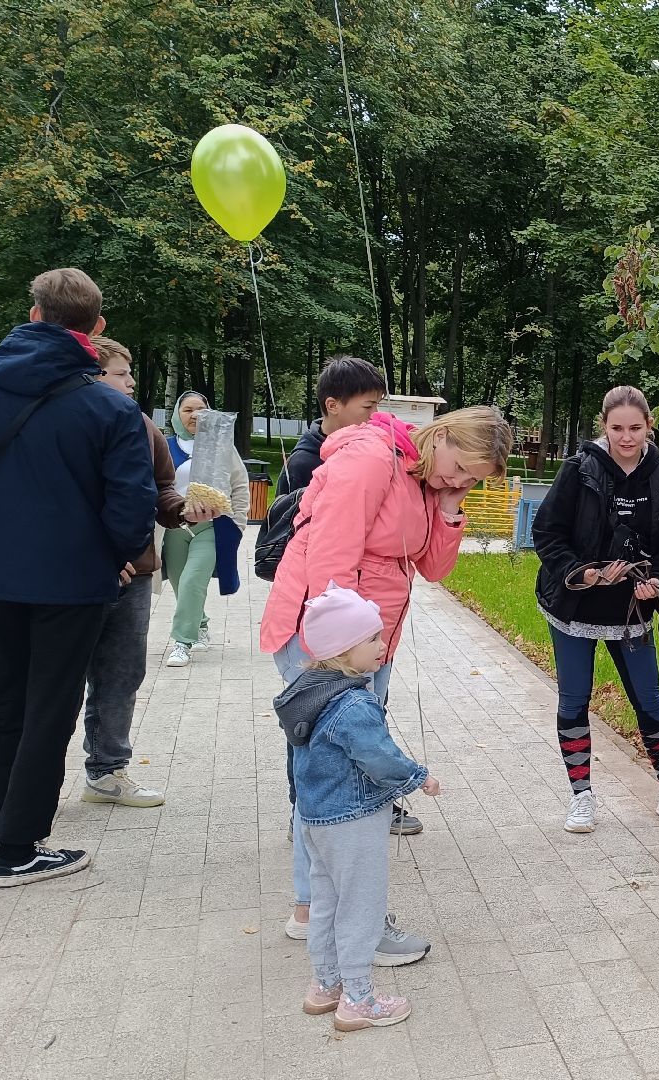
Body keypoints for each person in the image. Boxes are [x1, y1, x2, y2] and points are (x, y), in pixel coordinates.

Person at [261, 404, 509, 950]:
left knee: (337, 775)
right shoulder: (373, 459)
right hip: (329, 641)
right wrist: (342, 655)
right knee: (343, 781)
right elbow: (332, 553)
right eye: (461, 467)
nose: (460, 479)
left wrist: (448, 507)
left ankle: (320, 913)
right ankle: (343, 922)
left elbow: (434, 568)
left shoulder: (421, 477)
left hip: (366, 644)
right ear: (440, 435)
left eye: (472, 480)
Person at [0, 268, 156, 887]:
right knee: (49, 710)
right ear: (96, 329)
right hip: (72, 582)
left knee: (3, 706)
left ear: (32, 315)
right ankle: (17, 848)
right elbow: (131, 508)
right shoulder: (110, 406)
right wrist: (115, 557)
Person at [533, 387, 659, 834]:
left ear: (649, 428)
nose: (627, 437)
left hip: (630, 612)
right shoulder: (578, 469)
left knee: (648, 698)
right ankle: (582, 797)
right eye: (617, 428)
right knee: (574, 698)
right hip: (573, 606)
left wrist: (657, 581)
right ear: (603, 426)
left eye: (635, 428)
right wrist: (579, 573)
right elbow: (546, 532)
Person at [276, 585, 439, 1031]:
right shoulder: (354, 703)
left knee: (326, 902)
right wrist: (418, 777)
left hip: (315, 818)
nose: (382, 645)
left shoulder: (306, 690)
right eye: (373, 639)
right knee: (361, 908)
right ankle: (359, 999)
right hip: (352, 820)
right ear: (346, 650)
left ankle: (325, 985)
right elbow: (379, 757)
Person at [78, 337, 188, 807]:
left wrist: (184, 509)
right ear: (93, 375)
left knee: (121, 675)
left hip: (136, 573)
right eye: (121, 373)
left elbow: (161, 489)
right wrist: (104, 553)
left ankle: (107, 772)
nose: (131, 382)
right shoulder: (69, 421)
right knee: (57, 679)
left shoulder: (142, 425)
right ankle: (28, 780)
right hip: (75, 573)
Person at [160, 391, 250, 667]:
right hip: (175, 526)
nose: (195, 415)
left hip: (211, 526)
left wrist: (239, 521)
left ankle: (181, 643)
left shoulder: (221, 446)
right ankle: (200, 623)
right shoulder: (165, 446)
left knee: (192, 581)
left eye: (201, 409)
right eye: (188, 410)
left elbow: (239, 483)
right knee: (179, 585)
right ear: (177, 415)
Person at [278, 355, 386, 494]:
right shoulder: (301, 466)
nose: (375, 414)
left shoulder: (375, 454)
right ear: (332, 405)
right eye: (367, 406)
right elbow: (286, 515)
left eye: (377, 405)